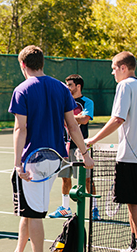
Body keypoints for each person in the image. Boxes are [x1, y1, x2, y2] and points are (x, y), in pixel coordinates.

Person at [0, 45, 94, 252]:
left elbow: (20, 129)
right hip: (54, 160)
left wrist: (17, 163)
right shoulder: (61, 88)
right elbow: (72, 125)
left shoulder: (22, 89)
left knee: (34, 214)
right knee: (29, 210)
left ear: (23, 65)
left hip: (32, 161)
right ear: (42, 63)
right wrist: (86, 154)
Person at [86, 51, 137, 252]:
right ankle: (135, 246)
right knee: (134, 202)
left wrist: (92, 140)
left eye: (114, 68)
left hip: (132, 155)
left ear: (123, 68)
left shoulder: (124, 86)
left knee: (136, 203)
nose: (113, 73)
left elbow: (118, 119)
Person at [49, 74, 100, 220]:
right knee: (65, 178)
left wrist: (67, 116)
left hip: (81, 147)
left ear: (78, 86)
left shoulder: (87, 102)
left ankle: (94, 209)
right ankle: (65, 209)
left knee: (87, 180)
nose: (67, 87)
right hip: (64, 146)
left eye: (70, 85)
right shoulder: (63, 101)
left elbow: (84, 120)